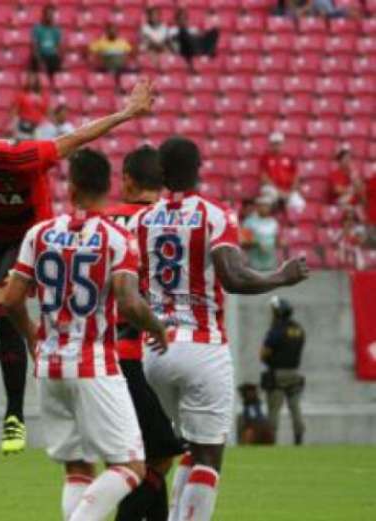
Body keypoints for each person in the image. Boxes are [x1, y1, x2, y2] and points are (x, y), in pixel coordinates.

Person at [0, 79, 156, 455]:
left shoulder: (19, 156)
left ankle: (14, 418)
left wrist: (126, 114)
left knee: (4, 309)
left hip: (26, 240)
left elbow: (75, 138)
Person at [128, 136, 309, 521]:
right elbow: (233, 277)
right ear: (199, 169)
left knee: (186, 450)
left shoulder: (141, 220)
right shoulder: (214, 214)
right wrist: (281, 276)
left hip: (156, 351)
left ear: (161, 172)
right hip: (203, 345)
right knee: (209, 454)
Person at [2, 148, 169, 521]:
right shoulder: (116, 238)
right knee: (131, 468)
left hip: (49, 365)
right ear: (109, 186)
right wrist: (157, 327)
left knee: (77, 467)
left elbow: (11, 299)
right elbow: (128, 302)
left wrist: (31, 337)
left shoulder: (39, 233)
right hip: (95, 364)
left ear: (72, 187)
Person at [104, 145, 185, 521]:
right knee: (159, 456)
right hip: (146, 353)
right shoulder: (170, 223)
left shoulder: (102, 223)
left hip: (101, 354)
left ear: (129, 180)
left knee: (143, 455)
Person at [260, 296, 307, 445]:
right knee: (295, 408)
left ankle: (271, 440)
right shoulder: (298, 329)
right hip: (294, 373)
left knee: (273, 409)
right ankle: (298, 439)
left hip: (277, 374)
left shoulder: (276, 330)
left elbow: (263, 353)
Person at [259, 132, 302, 210]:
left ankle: (292, 221)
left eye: (279, 143)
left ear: (283, 144)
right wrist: (279, 191)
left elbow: (296, 176)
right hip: (272, 188)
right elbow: (264, 178)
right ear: (270, 144)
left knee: (299, 204)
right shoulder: (265, 158)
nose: (276, 146)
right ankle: (269, 221)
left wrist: (291, 190)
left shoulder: (289, 157)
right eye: (274, 144)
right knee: (269, 196)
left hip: (288, 189)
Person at [241, 195, 280, 271]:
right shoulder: (248, 222)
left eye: (267, 206)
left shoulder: (274, 222)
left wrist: (280, 242)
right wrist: (257, 244)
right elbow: (244, 242)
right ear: (257, 207)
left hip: (271, 264)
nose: (265, 208)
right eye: (262, 205)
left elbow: (276, 241)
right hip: (254, 265)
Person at [30, 4, 62, 87]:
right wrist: (39, 61)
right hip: (40, 56)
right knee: (35, 61)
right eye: (48, 14)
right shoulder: (37, 28)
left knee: (57, 63)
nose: (50, 17)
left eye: (51, 15)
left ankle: (54, 86)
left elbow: (59, 47)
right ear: (43, 15)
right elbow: (34, 46)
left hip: (52, 57)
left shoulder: (56, 30)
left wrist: (60, 59)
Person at [12, 73, 50, 140]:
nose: (32, 82)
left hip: (39, 126)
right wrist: (15, 124)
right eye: (30, 79)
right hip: (24, 125)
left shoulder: (43, 96)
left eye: (34, 80)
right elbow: (15, 111)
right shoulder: (22, 95)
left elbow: (46, 112)